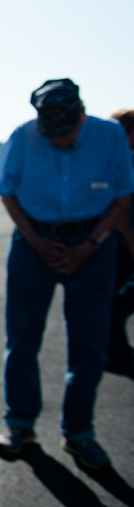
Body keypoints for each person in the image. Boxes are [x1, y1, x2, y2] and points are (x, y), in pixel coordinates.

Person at [0, 78, 134, 470]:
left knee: (90, 342)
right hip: (34, 241)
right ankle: (19, 424)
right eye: (51, 131)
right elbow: (6, 190)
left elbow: (122, 196)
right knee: (22, 336)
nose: (59, 140)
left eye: (66, 131)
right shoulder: (24, 136)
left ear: (82, 115)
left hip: (93, 242)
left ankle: (79, 432)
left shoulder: (111, 136)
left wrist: (92, 244)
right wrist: (34, 239)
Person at [107, 108, 134, 374]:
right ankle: (115, 354)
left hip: (117, 243)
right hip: (120, 245)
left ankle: (116, 352)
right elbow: (120, 209)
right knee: (118, 301)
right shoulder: (121, 161)